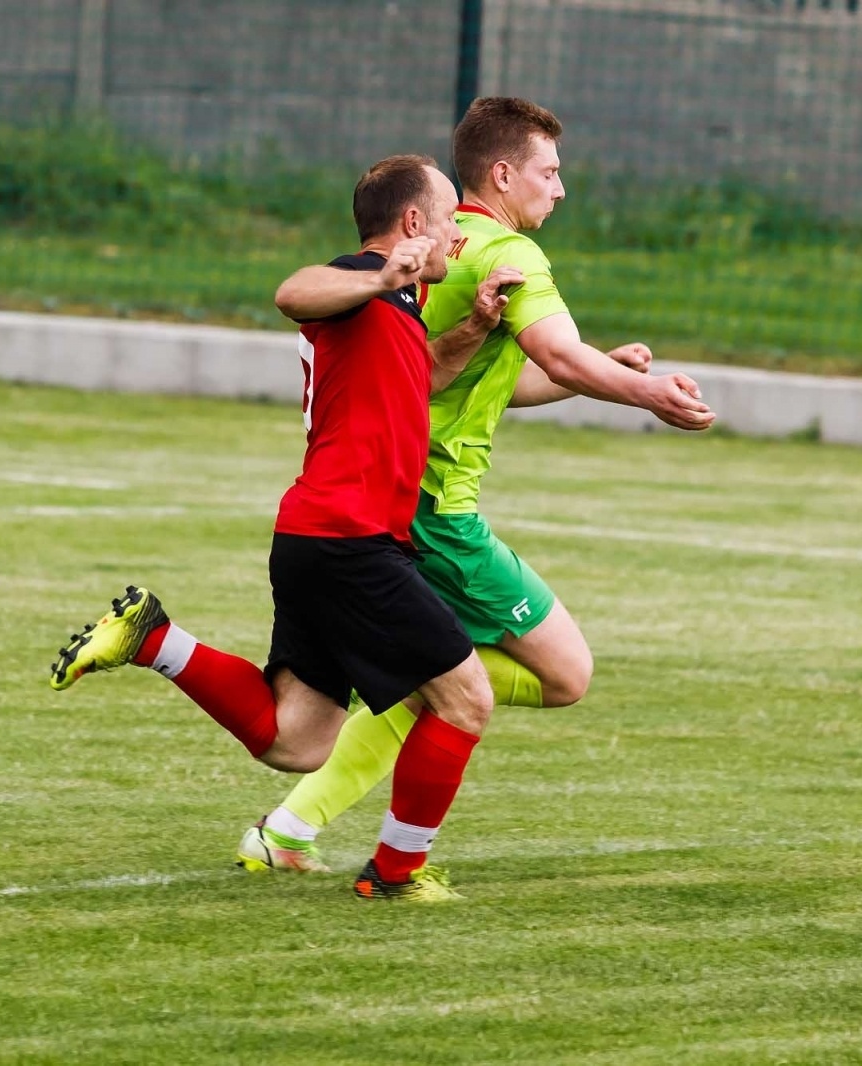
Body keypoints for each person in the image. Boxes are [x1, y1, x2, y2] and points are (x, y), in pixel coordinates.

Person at [236, 98, 716, 876]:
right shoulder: (506, 255)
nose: (560, 190)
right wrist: (649, 392)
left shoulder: (437, 248)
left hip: (401, 500)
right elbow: (559, 355)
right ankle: (364, 855)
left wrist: (605, 375)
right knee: (563, 674)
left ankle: (291, 830)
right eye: (549, 172)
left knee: (436, 680)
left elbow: (510, 380)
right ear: (501, 174)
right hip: (434, 511)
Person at [48, 154, 524, 903]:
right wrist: (378, 274)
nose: (452, 240)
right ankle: (396, 875)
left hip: (322, 540)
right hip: (349, 540)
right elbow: (291, 291)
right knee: (464, 698)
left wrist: (475, 325)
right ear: (409, 225)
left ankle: (154, 639)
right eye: (444, 224)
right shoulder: (361, 287)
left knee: (295, 740)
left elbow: (421, 376)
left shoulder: (398, 310)